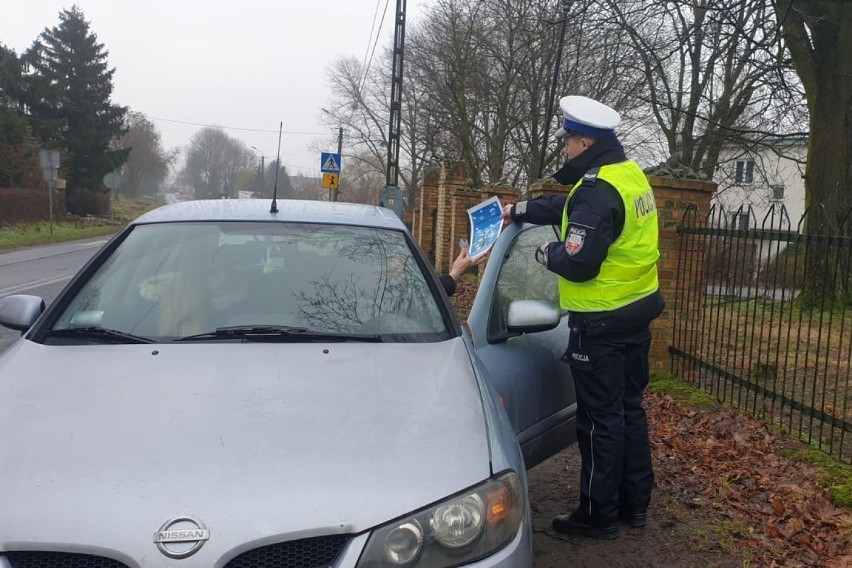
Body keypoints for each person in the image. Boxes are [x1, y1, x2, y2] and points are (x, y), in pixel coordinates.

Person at [501, 95, 665, 540]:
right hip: (635, 312)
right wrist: (518, 210)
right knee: (630, 409)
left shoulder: (596, 188)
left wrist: (543, 250)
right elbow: (573, 210)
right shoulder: (627, 175)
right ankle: (635, 505)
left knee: (599, 420)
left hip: (602, 324)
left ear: (585, 140)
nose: (565, 149)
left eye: (568, 141)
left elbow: (578, 261)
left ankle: (597, 516)